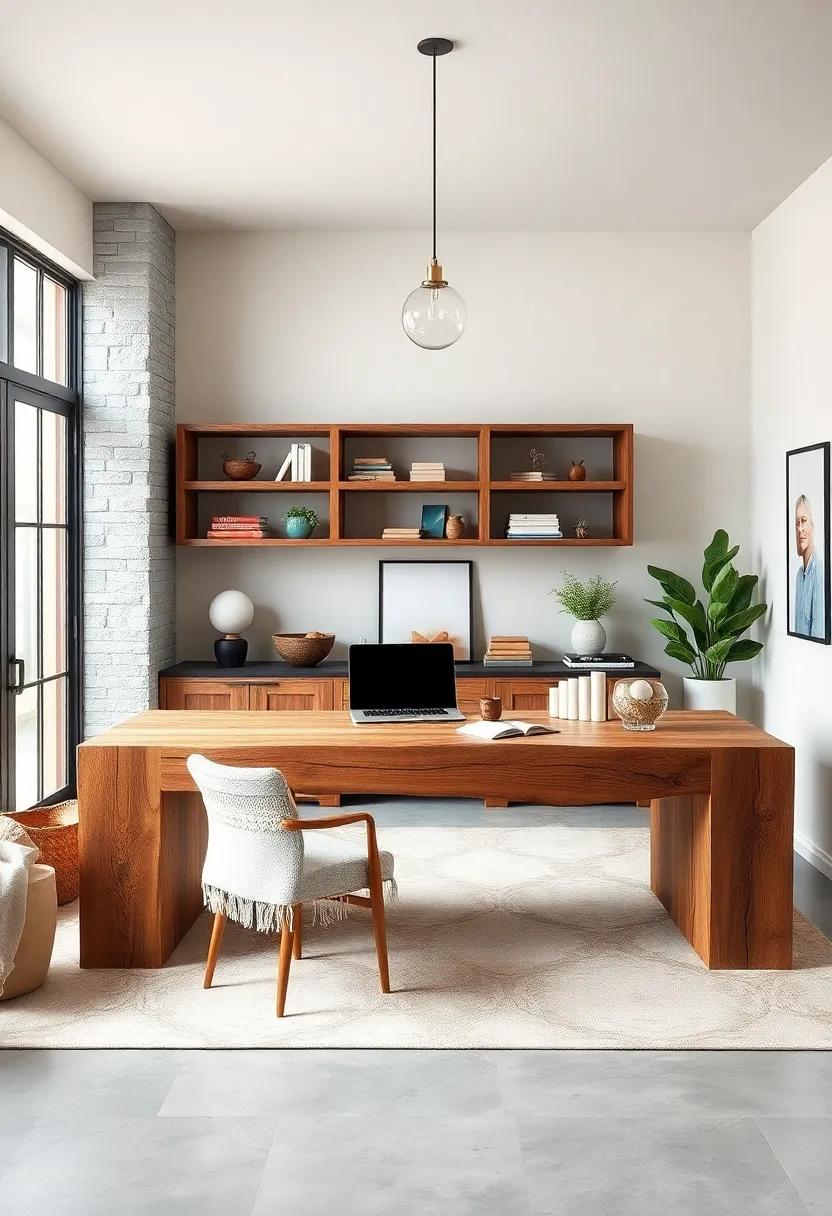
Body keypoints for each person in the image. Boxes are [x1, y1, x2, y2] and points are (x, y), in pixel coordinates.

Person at [794, 494, 825, 638]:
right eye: (797, 523)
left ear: (813, 525)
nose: (800, 529)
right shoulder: (799, 576)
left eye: (804, 521)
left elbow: (818, 634)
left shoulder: (819, 571)